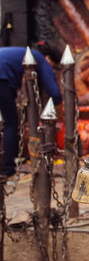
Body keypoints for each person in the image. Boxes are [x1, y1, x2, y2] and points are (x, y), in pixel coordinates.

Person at [0, 47, 62, 177]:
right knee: (10, 123)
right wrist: (60, 112)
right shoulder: (40, 58)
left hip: (4, 76)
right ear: (49, 58)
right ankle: (8, 170)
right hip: (2, 78)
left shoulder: (19, 53)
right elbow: (55, 94)